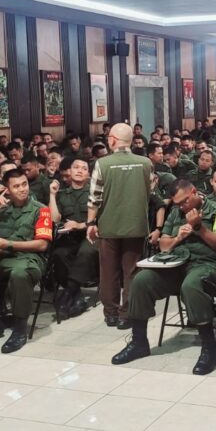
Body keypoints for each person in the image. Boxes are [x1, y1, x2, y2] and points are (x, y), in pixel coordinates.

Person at [112, 180, 216, 373]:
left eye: (185, 201)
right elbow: (163, 245)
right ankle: (139, 342)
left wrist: (199, 228)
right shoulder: (176, 212)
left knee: (191, 285)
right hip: (177, 264)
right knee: (141, 280)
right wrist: (178, 238)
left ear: (194, 191)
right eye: (178, 203)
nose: (182, 206)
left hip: (207, 264)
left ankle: (209, 348)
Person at [0, 168, 52, 352]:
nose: (22, 189)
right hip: (0, 258)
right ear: (7, 189)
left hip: (28, 258)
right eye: (16, 186)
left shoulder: (41, 210)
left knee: (20, 274)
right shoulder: (2, 209)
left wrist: (9, 244)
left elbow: (42, 245)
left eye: (24, 184)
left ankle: (20, 329)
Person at [86, 123, 152, 327]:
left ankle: (111, 314)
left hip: (109, 225)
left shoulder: (102, 163)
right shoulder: (146, 163)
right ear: (131, 140)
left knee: (108, 272)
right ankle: (127, 315)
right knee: (131, 271)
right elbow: (149, 191)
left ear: (112, 140)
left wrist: (90, 222)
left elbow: (95, 198)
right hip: (136, 224)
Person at [49, 159, 99, 318]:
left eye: (84, 168)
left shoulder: (96, 193)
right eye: (76, 167)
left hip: (91, 235)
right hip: (69, 237)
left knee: (86, 252)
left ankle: (67, 295)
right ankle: (77, 297)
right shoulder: (62, 194)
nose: (79, 170)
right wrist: (52, 195)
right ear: (69, 172)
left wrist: (79, 225)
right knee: (59, 254)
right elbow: (55, 219)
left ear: (88, 174)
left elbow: (100, 219)